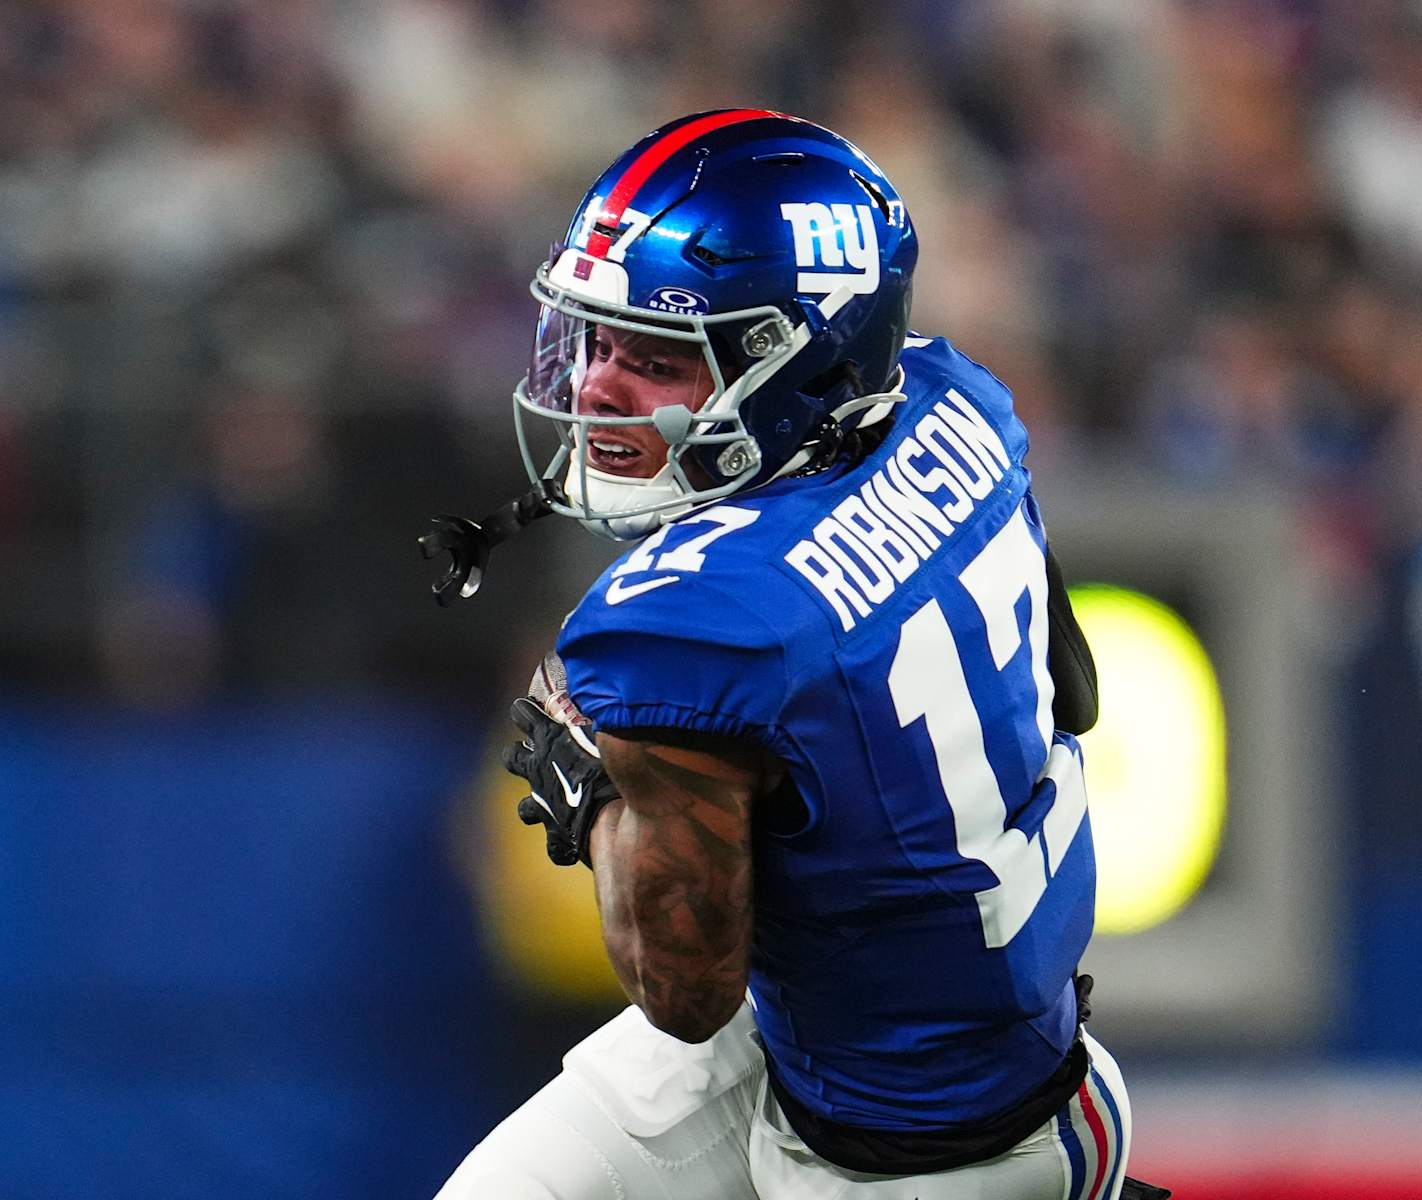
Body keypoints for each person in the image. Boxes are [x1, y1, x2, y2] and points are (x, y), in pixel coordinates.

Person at [434, 109, 1163, 1200]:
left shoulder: (689, 626)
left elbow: (683, 990)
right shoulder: (957, 406)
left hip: (918, 1155)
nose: (594, 389)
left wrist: (592, 795)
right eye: (597, 339)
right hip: (873, 1032)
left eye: (658, 355)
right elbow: (1075, 689)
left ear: (793, 363)